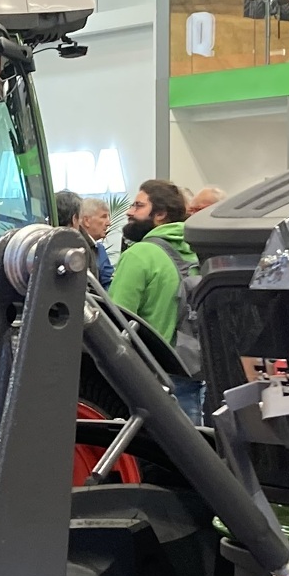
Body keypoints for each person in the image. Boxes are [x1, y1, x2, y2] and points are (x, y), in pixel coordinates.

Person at [109, 179, 205, 418]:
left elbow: (116, 321)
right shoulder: (196, 251)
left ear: (160, 214)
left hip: (149, 377)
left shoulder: (140, 254)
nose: (129, 212)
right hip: (191, 370)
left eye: (138, 205)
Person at [56, 190, 113, 287]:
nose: (108, 223)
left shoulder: (43, 246)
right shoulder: (81, 248)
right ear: (75, 219)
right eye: (103, 217)